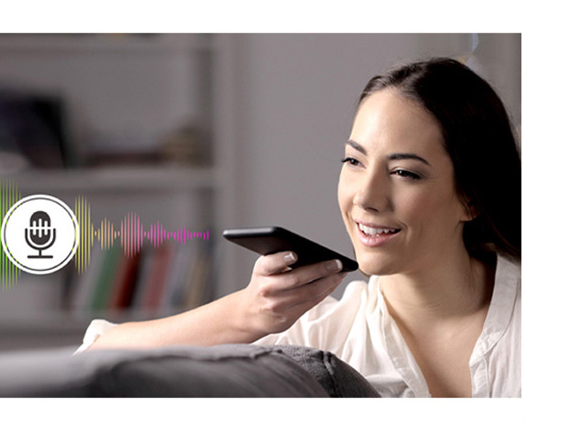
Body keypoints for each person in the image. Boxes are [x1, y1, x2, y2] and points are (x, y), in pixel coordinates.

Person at [76, 58, 521, 398]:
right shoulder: (319, 336)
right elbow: (93, 365)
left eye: (404, 172)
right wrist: (247, 314)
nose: (365, 197)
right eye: (353, 161)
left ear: (469, 197)